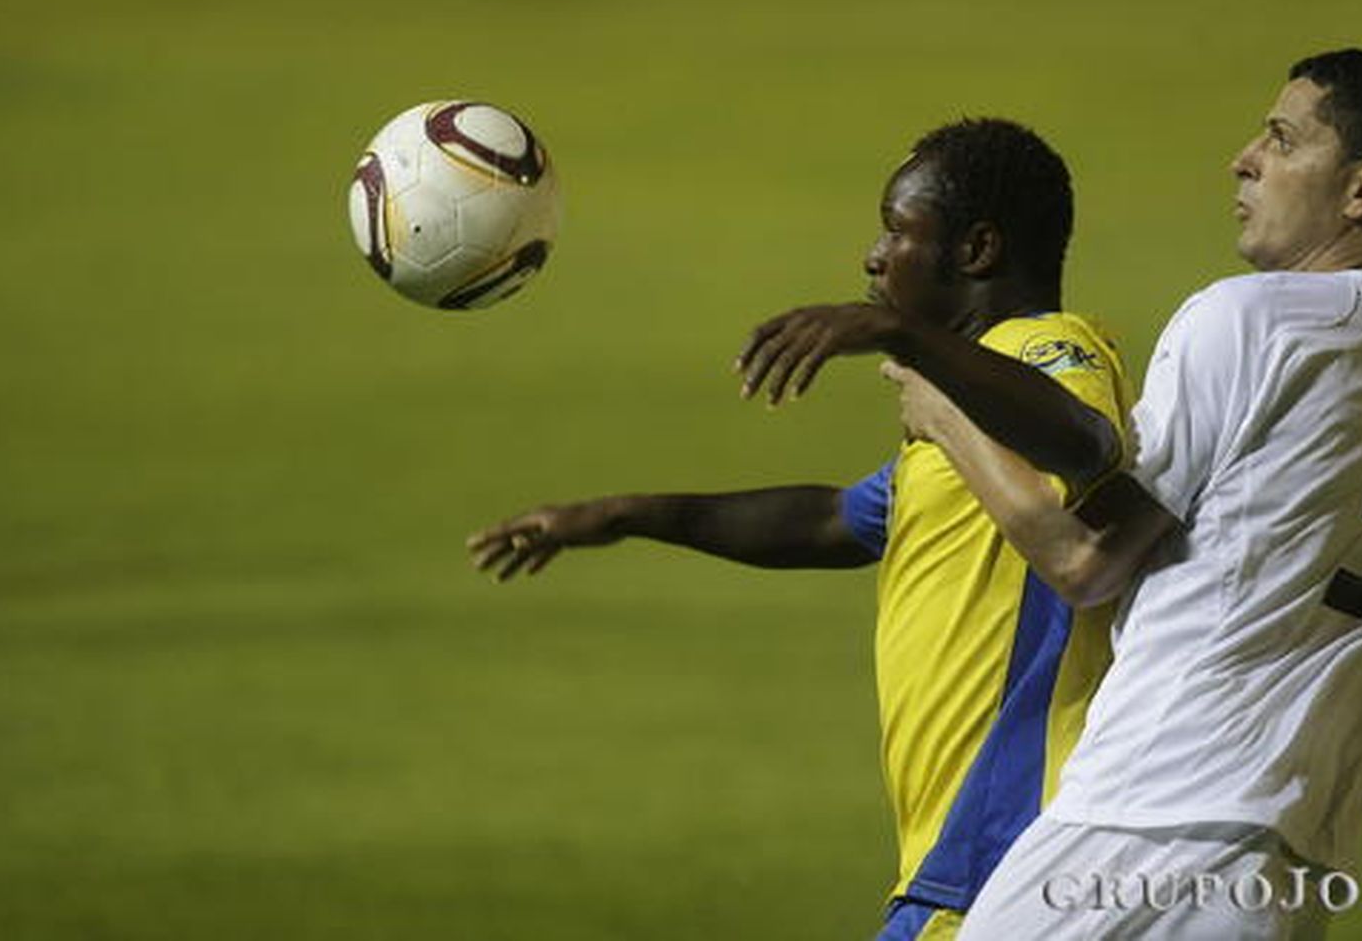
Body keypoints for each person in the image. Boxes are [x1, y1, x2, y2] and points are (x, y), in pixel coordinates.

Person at [759, 47, 1362, 938]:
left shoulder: (1251, 318)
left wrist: (943, 412)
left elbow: (1087, 559)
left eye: (1283, 140)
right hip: (1290, 862)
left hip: (1142, 829)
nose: (1244, 158)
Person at [466, 119, 1133, 941]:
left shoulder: (1051, 347)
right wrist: (623, 515)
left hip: (1011, 859)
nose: (874, 256)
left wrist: (900, 333)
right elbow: (829, 519)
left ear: (978, 250)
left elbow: (1085, 440)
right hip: (962, 866)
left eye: (898, 229)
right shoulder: (964, 432)